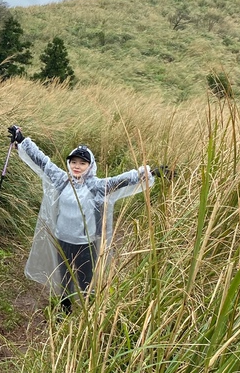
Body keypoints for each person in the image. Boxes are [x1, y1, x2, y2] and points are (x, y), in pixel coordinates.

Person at [8, 125, 156, 313]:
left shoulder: (97, 186)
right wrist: (22, 140)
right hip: (62, 239)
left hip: (85, 243)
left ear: (90, 166)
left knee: (87, 279)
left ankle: (90, 312)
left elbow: (122, 180)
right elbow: (43, 162)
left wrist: (147, 173)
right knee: (65, 278)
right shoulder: (62, 180)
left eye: (82, 163)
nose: (77, 166)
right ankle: (65, 309)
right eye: (74, 162)